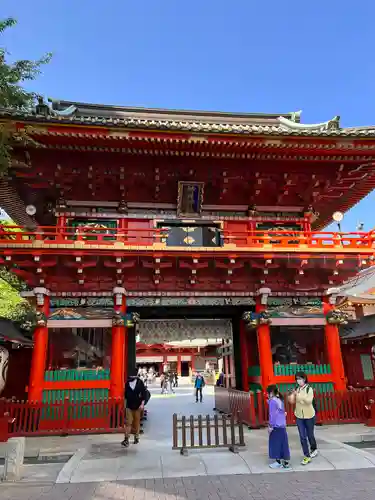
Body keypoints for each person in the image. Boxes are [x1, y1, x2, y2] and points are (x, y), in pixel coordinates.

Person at [288, 371, 318, 465]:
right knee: (302, 437)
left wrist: (298, 395)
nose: (298, 381)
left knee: (310, 435)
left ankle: (314, 448)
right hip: (299, 416)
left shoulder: (309, 389)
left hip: (309, 416)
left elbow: (308, 401)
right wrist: (291, 395)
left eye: (300, 379)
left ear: (304, 379)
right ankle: (306, 455)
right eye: (297, 379)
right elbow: (292, 402)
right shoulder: (297, 389)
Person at [267, 385, 290, 469]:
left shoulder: (272, 401)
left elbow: (272, 415)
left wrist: (270, 426)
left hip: (276, 426)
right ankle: (286, 462)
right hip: (282, 425)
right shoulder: (280, 400)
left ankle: (278, 462)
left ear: (271, 392)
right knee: (283, 444)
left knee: (275, 444)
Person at [122, 369, 147, 448]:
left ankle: (136, 437)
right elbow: (125, 396)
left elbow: (144, 394)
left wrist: (142, 404)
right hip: (129, 406)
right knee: (128, 423)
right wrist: (124, 406)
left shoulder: (140, 383)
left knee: (136, 423)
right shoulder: (127, 383)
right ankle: (126, 439)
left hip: (138, 406)